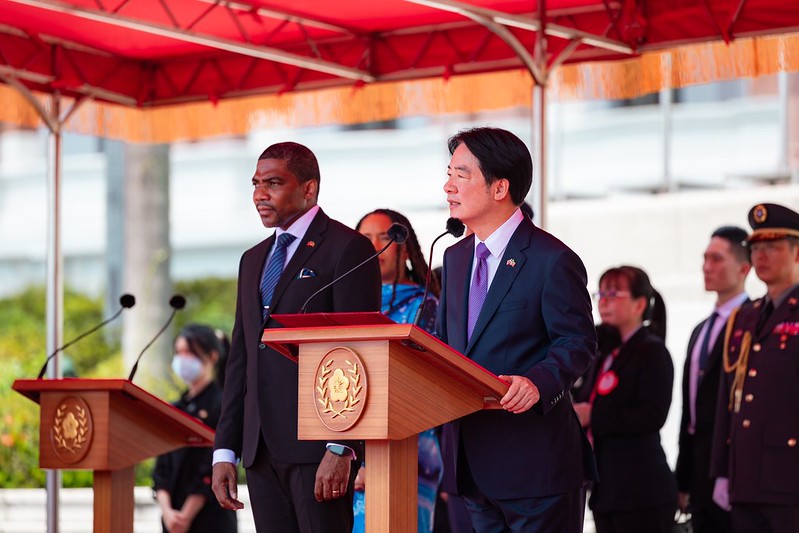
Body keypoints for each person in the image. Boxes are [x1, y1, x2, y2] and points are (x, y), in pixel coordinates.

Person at [211, 142, 382, 533]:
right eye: (255, 184)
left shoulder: (348, 248)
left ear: (309, 188)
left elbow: (359, 351)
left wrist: (342, 447)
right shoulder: (252, 259)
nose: (259, 194)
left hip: (317, 448)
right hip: (259, 449)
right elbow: (241, 359)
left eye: (273, 183)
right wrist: (225, 450)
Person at [436, 127, 597, 532]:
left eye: (461, 175)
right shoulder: (455, 258)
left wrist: (538, 382)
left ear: (500, 187)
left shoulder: (551, 258)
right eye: (449, 174)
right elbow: (445, 346)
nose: (448, 186)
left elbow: (577, 341)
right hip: (473, 466)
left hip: (536, 468)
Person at [710, 203, 799, 532]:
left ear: (797, 253)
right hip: (746, 477)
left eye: (772, 247)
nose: (761, 256)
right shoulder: (745, 316)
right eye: (756, 248)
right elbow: (728, 398)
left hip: (790, 479)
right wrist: (722, 469)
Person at [353, 208, 443, 532]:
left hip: (406, 451)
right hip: (347, 453)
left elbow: (414, 388)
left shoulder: (424, 305)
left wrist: (371, 460)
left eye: (385, 238)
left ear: (404, 248)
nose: (375, 247)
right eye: (365, 239)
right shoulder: (347, 303)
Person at [574, 266, 677, 533]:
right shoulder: (602, 351)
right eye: (600, 294)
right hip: (606, 489)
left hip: (641, 490)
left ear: (639, 304)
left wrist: (592, 415)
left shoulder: (652, 351)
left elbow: (652, 415)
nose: (603, 302)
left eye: (613, 294)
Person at [676, 226, 750, 533]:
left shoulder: (753, 323)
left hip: (735, 463)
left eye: (717, 259)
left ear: (744, 268)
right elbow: (690, 409)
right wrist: (682, 477)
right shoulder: (701, 329)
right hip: (698, 464)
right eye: (705, 259)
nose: (707, 267)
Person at [153, 324, 237, 533]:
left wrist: (185, 516)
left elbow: (209, 465)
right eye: (178, 352)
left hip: (210, 517)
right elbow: (161, 467)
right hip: (172, 517)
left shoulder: (222, 406)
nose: (182, 359)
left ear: (212, 356)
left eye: (189, 352)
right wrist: (167, 512)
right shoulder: (175, 407)